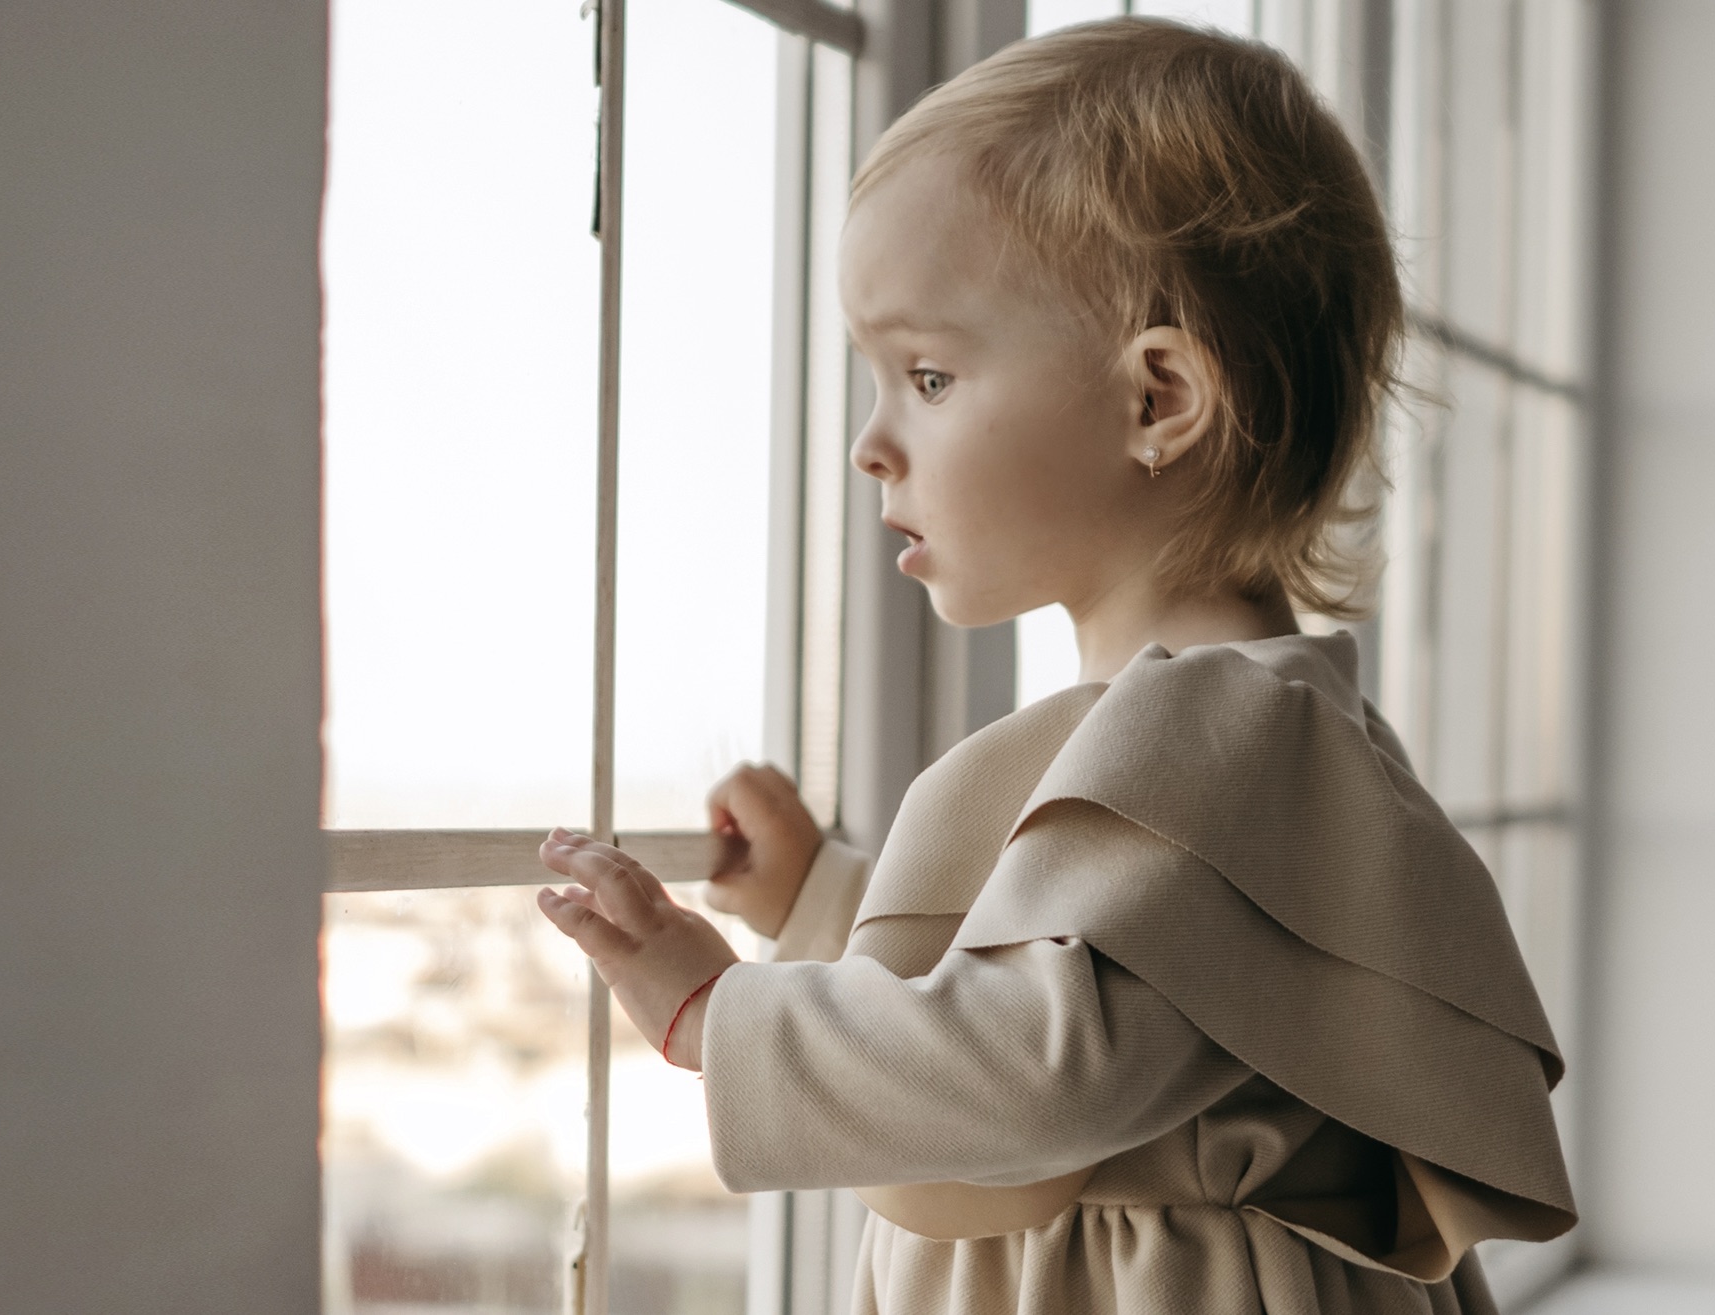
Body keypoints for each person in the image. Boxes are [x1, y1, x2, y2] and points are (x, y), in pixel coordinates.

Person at [532, 18, 1572, 1313]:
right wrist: (823, 903)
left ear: (1158, 403)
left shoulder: (1217, 731)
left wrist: (717, 1013)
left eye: (926, 375)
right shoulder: (1207, 728)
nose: (872, 444)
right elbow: (1098, 972)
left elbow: (1045, 1062)